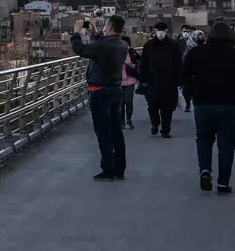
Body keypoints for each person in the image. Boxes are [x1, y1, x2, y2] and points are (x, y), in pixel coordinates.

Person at [181, 22, 235, 194]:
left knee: (204, 139)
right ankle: (223, 183)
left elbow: (184, 76)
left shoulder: (196, 52)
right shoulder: (234, 54)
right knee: (227, 144)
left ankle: (205, 170)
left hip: (203, 104)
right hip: (229, 104)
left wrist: (193, 92)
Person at [70, 16, 129, 181]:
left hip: (99, 91)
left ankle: (108, 169)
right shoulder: (123, 44)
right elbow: (104, 46)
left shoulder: (102, 46)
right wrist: (96, 33)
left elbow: (80, 49)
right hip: (116, 90)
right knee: (117, 132)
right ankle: (119, 168)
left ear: (109, 27)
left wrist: (76, 33)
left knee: (103, 133)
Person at [139, 21, 181, 138]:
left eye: (162, 30)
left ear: (167, 31)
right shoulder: (149, 45)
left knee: (168, 108)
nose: (160, 32)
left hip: (169, 82)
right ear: (155, 31)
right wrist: (143, 79)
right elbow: (143, 63)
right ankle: (155, 123)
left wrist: (178, 80)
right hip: (152, 81)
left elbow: (178, 63)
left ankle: (165, 130)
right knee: (152, 106)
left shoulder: (173, 45)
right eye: (158, 30)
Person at [120, 42, 139, 129]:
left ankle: (129, 120)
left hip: (130, 80)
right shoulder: (116, 54)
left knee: (129, 101)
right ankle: (121, 121)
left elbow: (140, 60)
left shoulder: (132, 53)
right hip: (119, 81)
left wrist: (134, 66)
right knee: (121, 103)